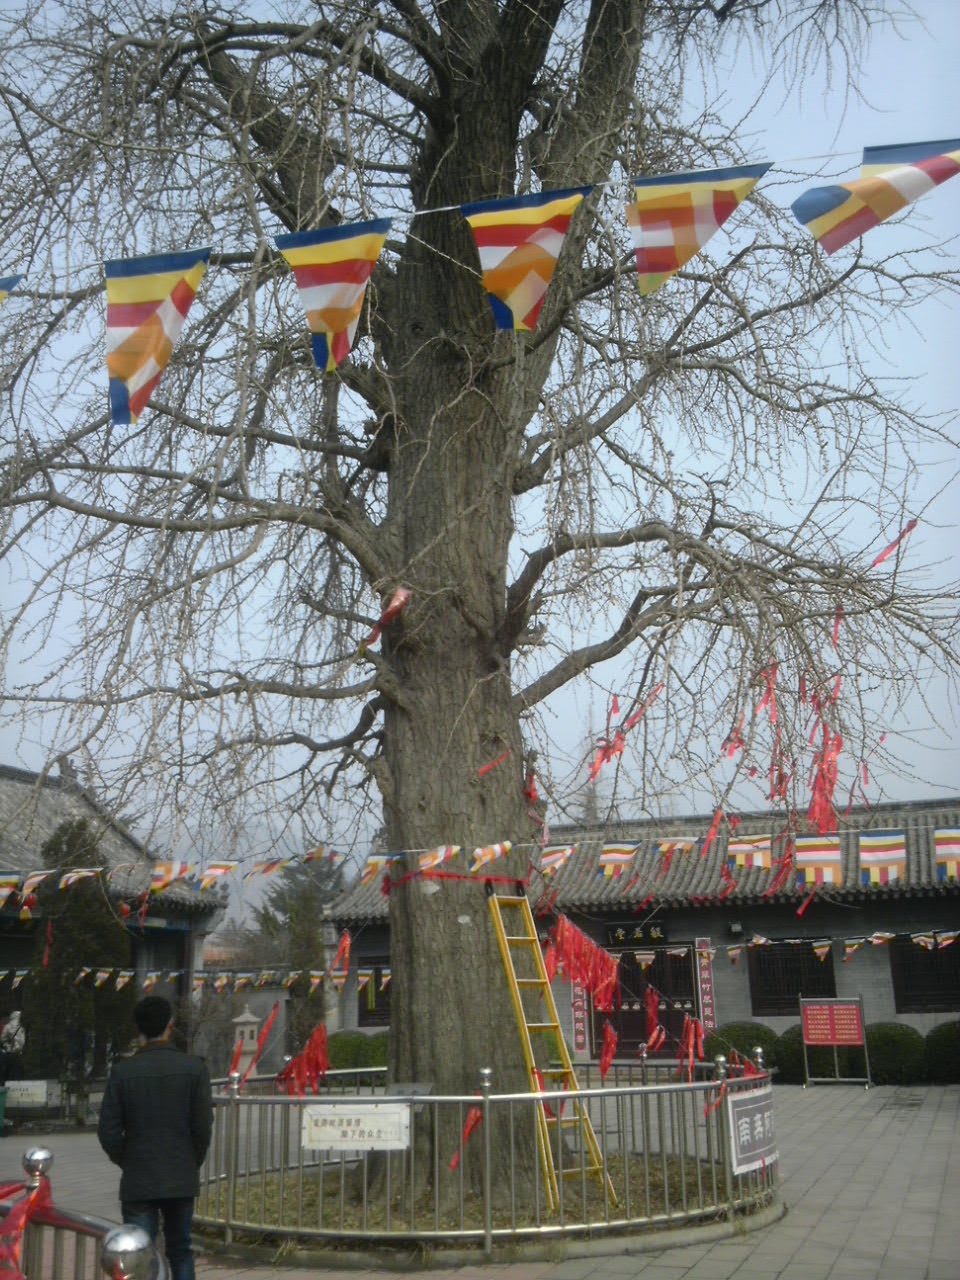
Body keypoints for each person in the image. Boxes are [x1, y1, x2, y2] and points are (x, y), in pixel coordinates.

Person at [97, 996, 213, 1280]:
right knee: (181, 1250)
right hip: (180, 1174)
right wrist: (190, 1160)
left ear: (139, 1030)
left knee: (139, 1253)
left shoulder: (123, 1073)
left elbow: (108, 1131)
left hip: (139, 1178)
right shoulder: (195, 1069)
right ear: (170, 1026)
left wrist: (129, 1159)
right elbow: (203, 1127)